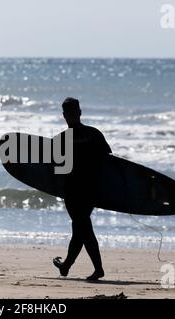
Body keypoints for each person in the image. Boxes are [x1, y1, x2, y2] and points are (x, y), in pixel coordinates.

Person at [53, 97, 112, 281]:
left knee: (83, 228)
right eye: (71, 112)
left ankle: (98, 269)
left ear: (66, 115)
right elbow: (107, 162)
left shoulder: (62, 139)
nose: (71, 115)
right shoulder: (93, 134)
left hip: (74, 191)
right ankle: (65, 266)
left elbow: (55, 169)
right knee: (80, 228)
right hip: (89, 190)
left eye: (70, 112)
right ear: (78, 112)